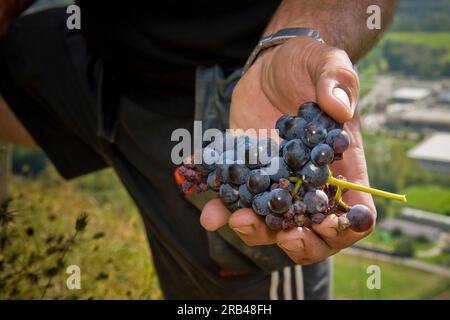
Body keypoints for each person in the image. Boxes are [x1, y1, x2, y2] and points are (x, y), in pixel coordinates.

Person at [0, 0, 397, 299]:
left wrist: (293, 37)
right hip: (101, 56)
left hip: (240, 89)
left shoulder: (280, 168)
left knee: (220, 289)